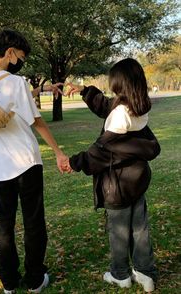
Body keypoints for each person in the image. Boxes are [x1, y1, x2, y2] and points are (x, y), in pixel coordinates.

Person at [0, 29, 67, 294]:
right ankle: (35, 280)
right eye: (21, 56)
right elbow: (36, 120)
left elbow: (8, 99)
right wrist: (58, 151)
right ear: (10, 52)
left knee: (5, 226)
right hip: (26, 162)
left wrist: (44, 88)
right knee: (33, 222)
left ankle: (9, 283)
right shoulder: (15, 82)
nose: (21, 61)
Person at [64, 58, 160, 292]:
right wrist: (85, 91)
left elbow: (99, 152)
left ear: (122, 85)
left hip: (117, 184)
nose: (112, 87)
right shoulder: (137, 106)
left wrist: (73, 163)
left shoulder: (119, 116)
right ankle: (145, 273)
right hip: (137, 180)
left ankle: (120, 275)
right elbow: (108, 106)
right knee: (140, 228)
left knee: (118, 232)